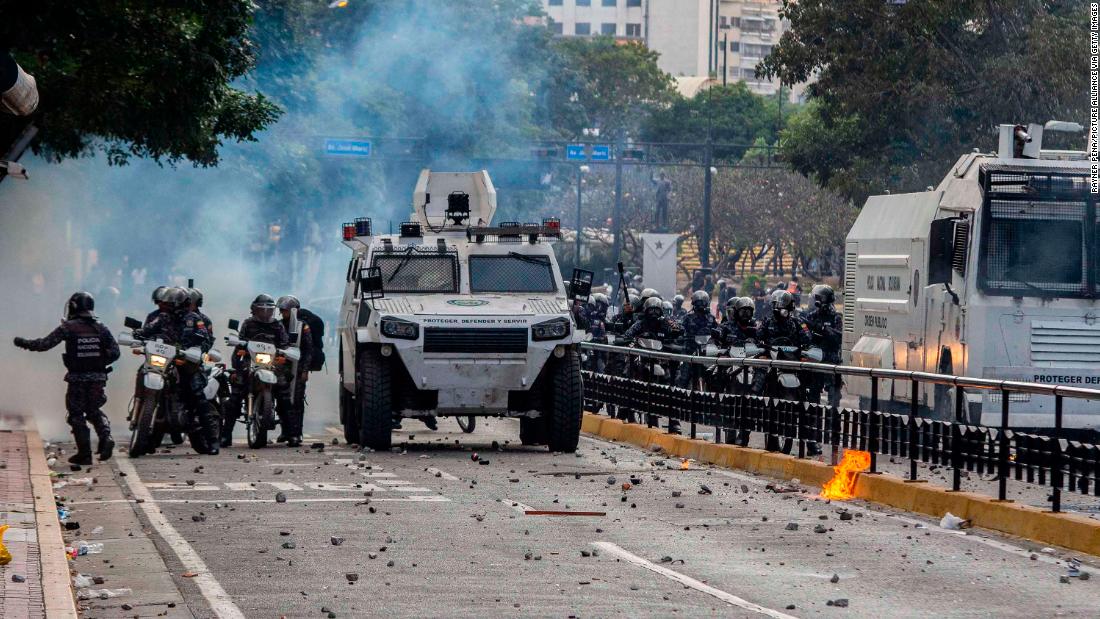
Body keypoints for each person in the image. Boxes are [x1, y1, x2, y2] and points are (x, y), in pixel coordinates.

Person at [13, 292, 120, 464]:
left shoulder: (68, 327)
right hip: (98, 378)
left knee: (76, 414)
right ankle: (106, 437)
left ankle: (85, 454)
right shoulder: (101, 327)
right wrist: (98, 363)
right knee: (94, 410)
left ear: (73, 307)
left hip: (77, 378)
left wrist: (23, 343)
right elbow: (115, 352)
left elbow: (43, 345)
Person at [137, 287, 220, 454]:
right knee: (143, 371)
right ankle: (146, 433)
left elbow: (205, 338)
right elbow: (148, 330)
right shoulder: (162, 318)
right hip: (166, 360)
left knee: (197, 395)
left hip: (186, 362)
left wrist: (196, 350)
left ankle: (212, 440)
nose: (166, 306)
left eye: (170, 303)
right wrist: (138, 334)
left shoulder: (194, 319)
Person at [222, 294, 293, 447]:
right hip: (250, 362)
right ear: (255, 310)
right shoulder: (248, 324)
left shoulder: (277, 326)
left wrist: (285, 353)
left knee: (284, 395)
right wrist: (238, 362)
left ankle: (291, 433)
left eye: (269, 310)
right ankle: (226, 435)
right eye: (262, 310)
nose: (265, 313)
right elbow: (239, 346)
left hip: (271, 364)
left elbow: (285, 344)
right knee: (235, 397)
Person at [755, 290, 819, 456]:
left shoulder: (797, 323)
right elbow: (757, 337)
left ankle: (809, 440)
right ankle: (749, 424)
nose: (785, 311)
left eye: (788, 307)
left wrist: (806, 351)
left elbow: (807, 339)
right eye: (783, 306)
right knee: (757, 386)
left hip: (792, 365)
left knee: (806, 398)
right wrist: (762, 349)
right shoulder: (767, 322)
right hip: (772, 364)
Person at [276, 296, 313, 447]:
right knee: (281, 400)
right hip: (280, 369)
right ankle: (285, 431)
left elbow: (308, 350)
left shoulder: (302, 327)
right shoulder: (277, 326)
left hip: (297, 368)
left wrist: (304, 370)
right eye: (281, 310)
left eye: (284, 310)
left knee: (296, 401)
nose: (282, 313)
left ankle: (297, 433)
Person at [803, 285, 843, 409]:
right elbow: (805, 338)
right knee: (813, 395)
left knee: (834, 396)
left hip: (831, 359)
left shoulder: (835, 317)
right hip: (815, 358)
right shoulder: (811, 317)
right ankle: (814, 423)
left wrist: (822, 329)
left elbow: (838, 337)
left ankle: (833, 424)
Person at [676, 291, 718, 388]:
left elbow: (717, 330)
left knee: (713, 377)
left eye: (703, 303)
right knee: (684, 377)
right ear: (694, 303)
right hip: (689, 350)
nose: (701, 305)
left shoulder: (711, 318)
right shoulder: (687, 317)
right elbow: (680, 328)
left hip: (706, 351)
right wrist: (679, 332)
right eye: (698, 303)